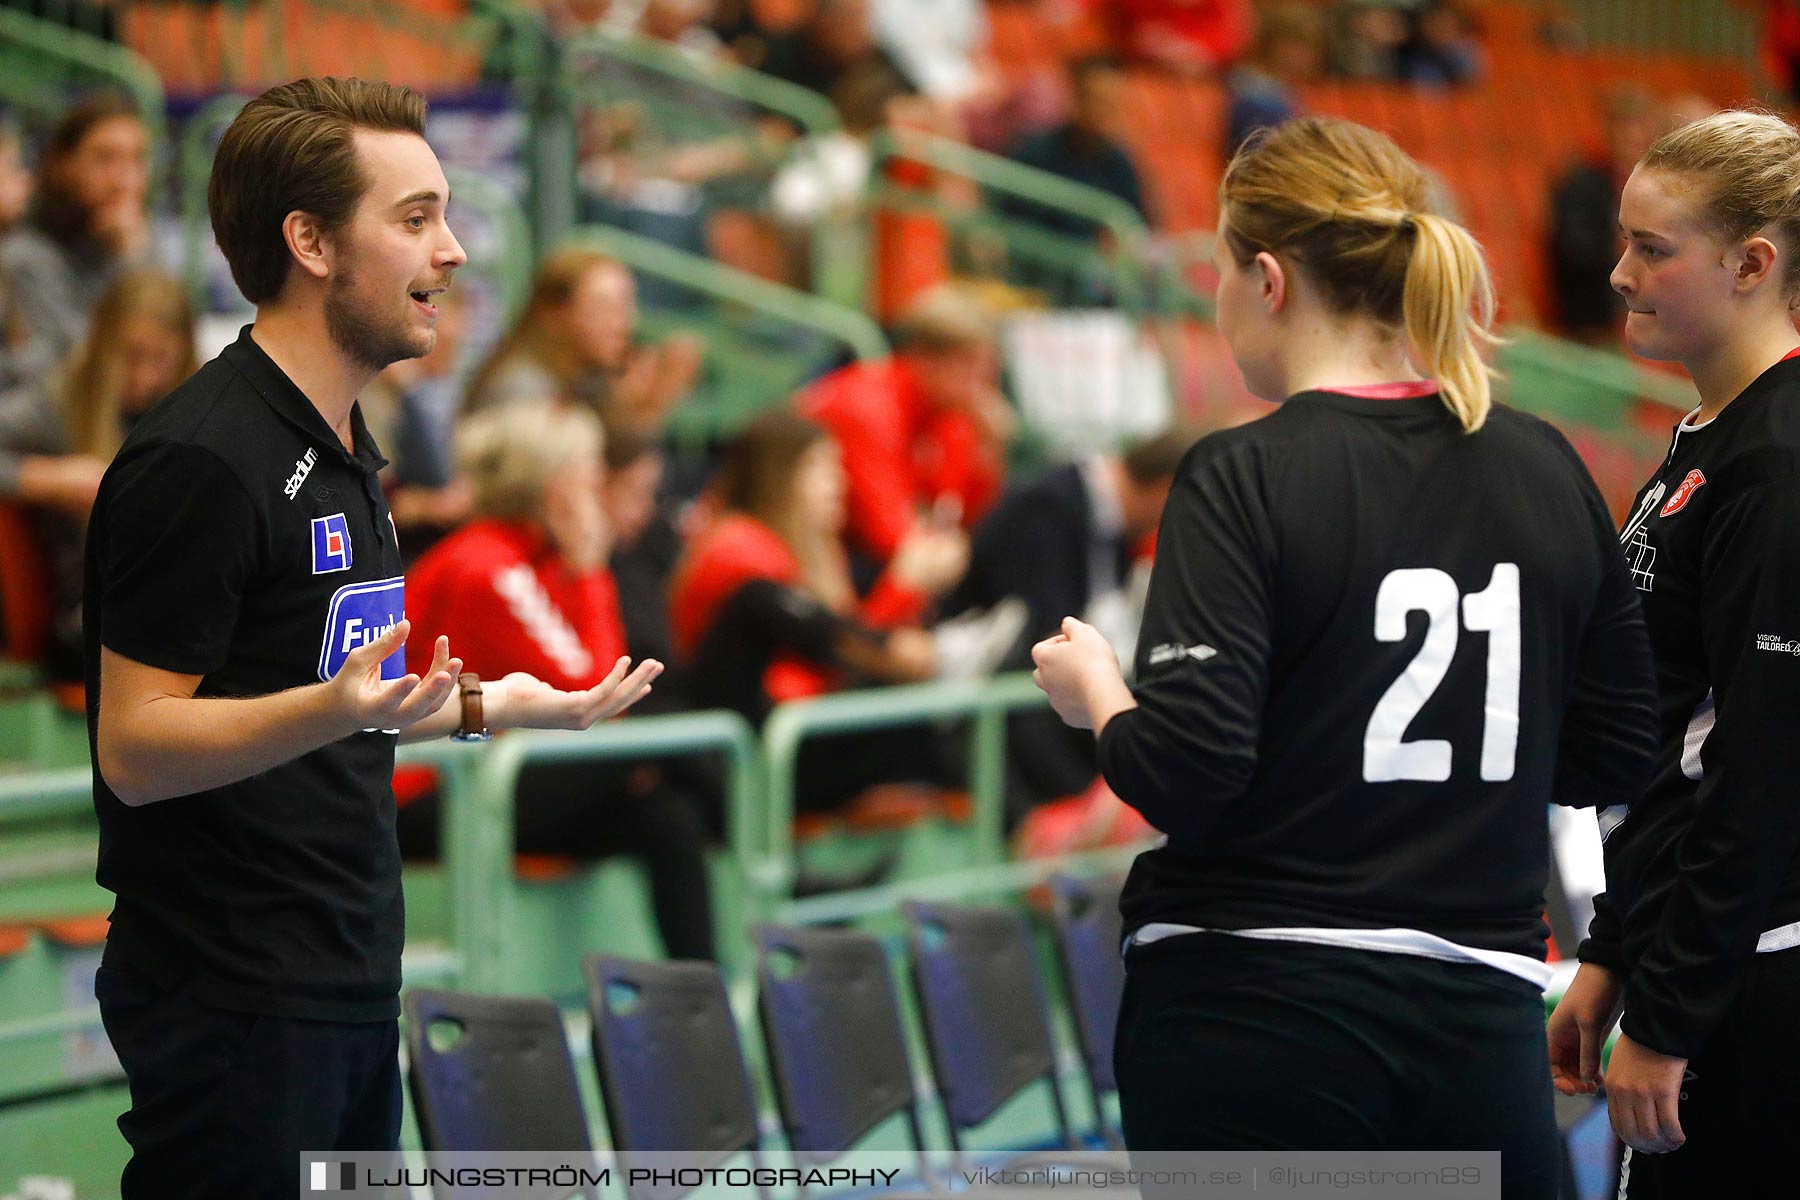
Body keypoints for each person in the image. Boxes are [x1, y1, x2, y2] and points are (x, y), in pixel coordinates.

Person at [1030, 117, 1659, 1190]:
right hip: (1477, 1018)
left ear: (1266, 279)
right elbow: (1616, 753)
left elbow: (1189, 772)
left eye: (1221, 271)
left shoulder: (1245, 472)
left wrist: (1101, 698)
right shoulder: (1544, 464)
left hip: (1254, 1010)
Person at [83, 78, 662, 1197]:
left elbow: (351, 698)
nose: (450, 252)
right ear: (308, 240)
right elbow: (136, 750)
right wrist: (334, 708)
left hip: (346, 970)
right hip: (233, 992)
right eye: (414, 219)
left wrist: (502, 704)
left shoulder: (348, 442)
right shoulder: (201, 459)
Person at [1546, 109, 1800, 1195]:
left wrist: (1671, 1006)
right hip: (1695, 953)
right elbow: (1669, 741)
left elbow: (1762, 764)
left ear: (1753, 264)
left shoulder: (1778, 462)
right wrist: (1610, 954)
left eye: (1654, 248)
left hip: (1754, 973)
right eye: (1623, 241)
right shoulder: (1709, 439)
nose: (1618, 273)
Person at [401, 404, 716, 960]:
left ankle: (701, 1001)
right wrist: (593, 568)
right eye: (589, 476)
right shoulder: (488, 566)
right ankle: (773, 846)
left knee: (669, 818)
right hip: (434, 792)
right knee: (662, 735)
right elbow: (595, 698)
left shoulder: (535, 559)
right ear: (554, 489)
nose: (599, 488)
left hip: (492, 775)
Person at [670, 409, 997, 812]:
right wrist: (904, 588)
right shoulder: (742, 545)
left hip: (784, 726)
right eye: (820, 468)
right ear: (779, 473)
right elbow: (833, 656)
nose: (839, 482)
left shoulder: (814, 550)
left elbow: (842, 644)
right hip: (743, 749)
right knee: (911, 711)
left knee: (921, 713)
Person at [0, 268, 196, 682]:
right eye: (130, 357)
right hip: (91, 622)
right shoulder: (60, 401)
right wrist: (50, 478)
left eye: (160, 360)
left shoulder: (199, 405)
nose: (144, 377)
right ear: (102, 344)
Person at [796, 283, 1012, 570]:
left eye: (988, 369)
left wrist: (989, 450)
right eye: (968, 365)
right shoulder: (869, 407)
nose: (982, 384)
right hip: (803, 554)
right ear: (925, 360)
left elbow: (959, 521)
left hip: (854, 555)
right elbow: (891, 540)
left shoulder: (952, 416)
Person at [464, 246, 700, 442]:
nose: (623, 324)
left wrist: (647, 404)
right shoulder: (522, 391)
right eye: (604, 308)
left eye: (626, 306)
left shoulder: (587, 380)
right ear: (554, 314)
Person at [0, 95, 150, 391]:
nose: (123, 180)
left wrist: (134, 253)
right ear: (62, 164)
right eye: (105, 158)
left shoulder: (137, 239)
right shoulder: (24, 256)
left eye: (135, 160)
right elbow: (86, 374)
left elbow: (170, 350)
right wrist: (130, 259)